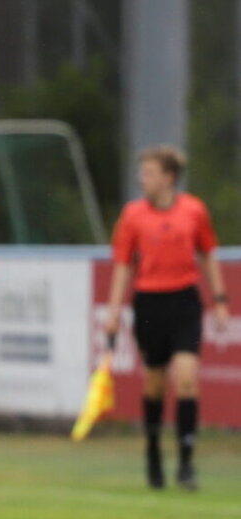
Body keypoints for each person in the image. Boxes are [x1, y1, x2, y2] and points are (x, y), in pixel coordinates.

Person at [105, 145, 230, 490]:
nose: (142, 179)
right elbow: (122, 264)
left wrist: (220, 299)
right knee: (155, 383)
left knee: (188, 378)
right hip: (149, 304)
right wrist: (114, 312)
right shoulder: (133, 215)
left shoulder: (194, 211)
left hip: (185, 301)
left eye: (149, 173)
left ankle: (187, 463)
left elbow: (208, 254)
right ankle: (153, 453)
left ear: (169, 177)